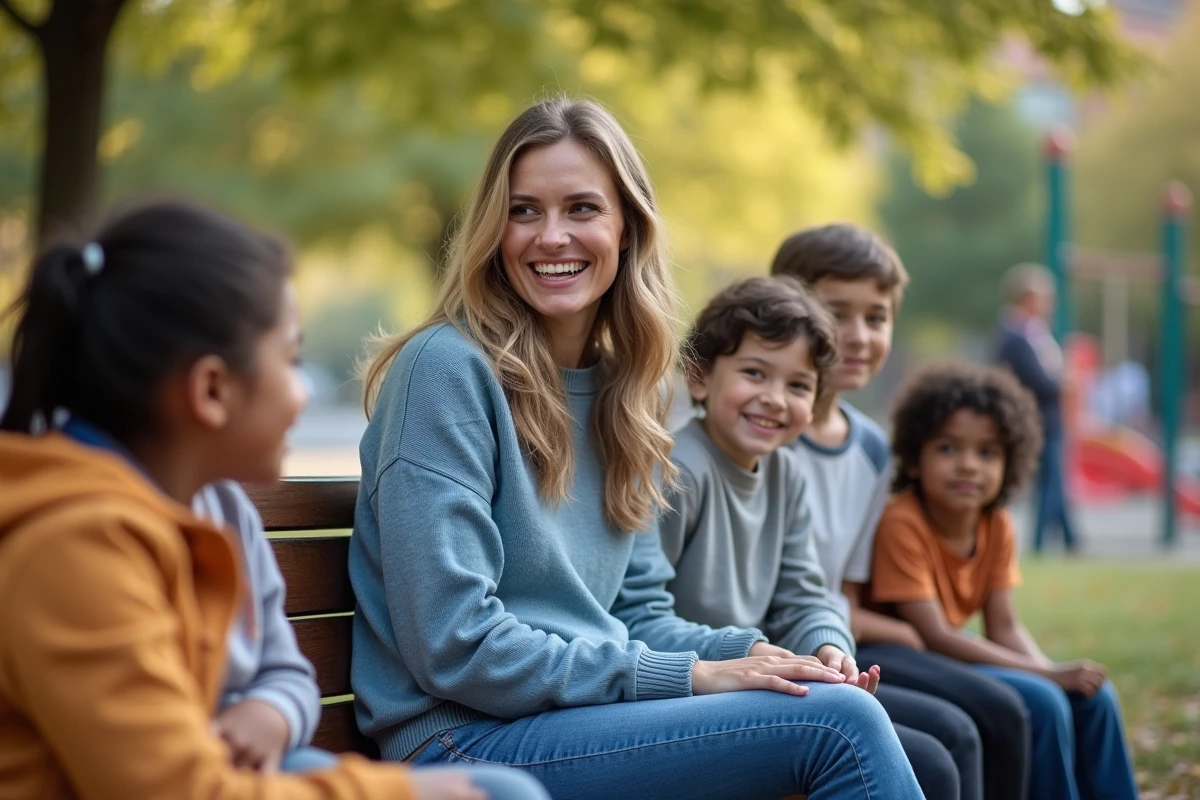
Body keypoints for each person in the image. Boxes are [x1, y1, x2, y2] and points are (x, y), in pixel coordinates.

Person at [350, 97, 923, 800]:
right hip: (461, 738)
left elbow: (638, 613)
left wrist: (762, 655)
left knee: (834, 706)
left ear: (627, 230)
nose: (550, 236)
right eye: (523, 210)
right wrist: (689, 676)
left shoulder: (627, 391)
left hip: (581, 717)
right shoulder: (444, 372)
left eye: (582, 209)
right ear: (492, 230)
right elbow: (455, 645)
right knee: (839, 729)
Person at [0, 199, 547, 800]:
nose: (302, 394)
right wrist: (408, 794)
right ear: (211, 390)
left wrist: (273, 713)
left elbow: (276, 678)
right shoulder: (74, 548)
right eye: (291, 359)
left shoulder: (213, 506)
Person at [659, 274, 979, 800]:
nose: (774, 399)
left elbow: (805, 595)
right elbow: (637, 614)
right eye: (755, 373)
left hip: (760, 674)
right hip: (690, 686)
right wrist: (758, 650)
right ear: (700, 377)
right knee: (927, 762)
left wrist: (829, 647)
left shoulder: (785, 474)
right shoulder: (678, 470)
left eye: (798, 385)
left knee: (939, 751)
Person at [771, 223, 1031, 800]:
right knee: (956, 739)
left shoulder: (871, 450)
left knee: (1001, 712)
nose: (859, 336)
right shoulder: (762, 433)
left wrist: (890, 631)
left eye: (877, 317)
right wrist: (906, 633)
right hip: (778, 651)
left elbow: (844, 594)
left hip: (837, 642)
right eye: (838, 313)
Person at [872, 362, 1139, 800]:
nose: (968, 466)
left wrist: (1054, 672)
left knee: (1096, 697)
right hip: (908, 655)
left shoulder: (996, 524)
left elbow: (1005, 626)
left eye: (987, 453)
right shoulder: (904, 521)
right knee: (1045, 700)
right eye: (948, 448)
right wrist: (1047, 677)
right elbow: (935, 634)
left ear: (1010, 462)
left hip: (952, 651)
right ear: (916, 459)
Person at [996, 262, 1079, 553]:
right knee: (1051, 483)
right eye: (1044, 298)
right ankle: (1042, 543)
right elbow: (1037, 381)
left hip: (1047, 418)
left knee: (1056, 480)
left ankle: (1072, 540)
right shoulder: (1015, 334)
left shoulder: (1032, 331)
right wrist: (1063, 380)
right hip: (1039, 419)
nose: (1049, 304)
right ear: (1027, 298)